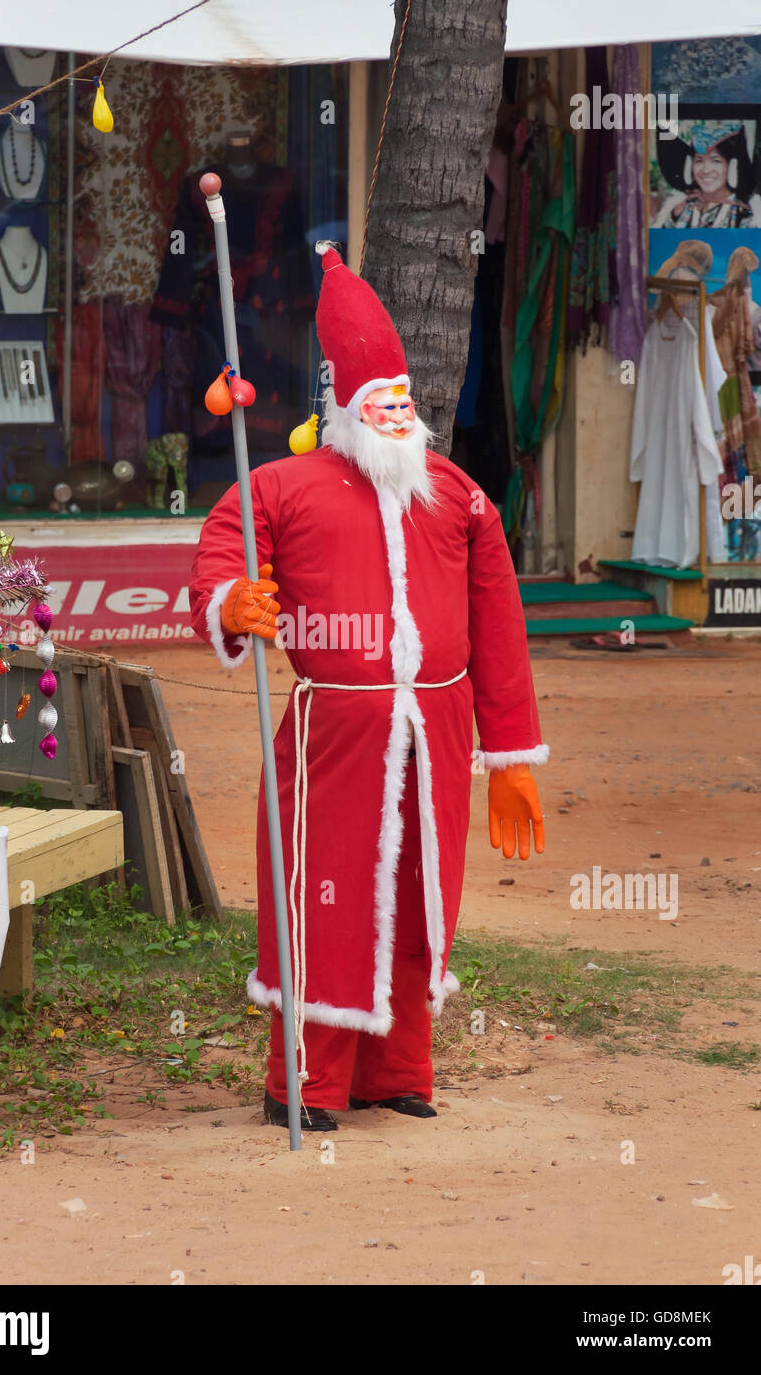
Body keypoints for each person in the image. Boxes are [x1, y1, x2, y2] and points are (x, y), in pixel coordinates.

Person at [188, 243, 547, 1131]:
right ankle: (304, 1083)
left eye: (405, 404)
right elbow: (225, 545)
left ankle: (396, 1071)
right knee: (323, 901)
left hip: (438, 726)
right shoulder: (281, 485)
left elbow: (500, 628)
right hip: (332, 735)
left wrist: (509, 756)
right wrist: (235, 603)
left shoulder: (459, 498)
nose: (396, 417)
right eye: (377, 404)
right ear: (343, 410)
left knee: (420, 902)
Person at [653, 122, 761, 229]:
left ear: (732, 165)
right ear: (690, 164)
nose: (706, 170)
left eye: (716, 161)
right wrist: (675, 216)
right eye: (699, 160)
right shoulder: (681, 209)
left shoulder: (747, 215)